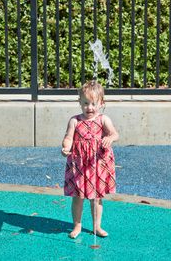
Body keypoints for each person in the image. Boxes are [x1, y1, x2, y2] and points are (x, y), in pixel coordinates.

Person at [61, 80, 119, 239]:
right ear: (79, 102)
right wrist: (66, 147)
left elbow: (115, 133)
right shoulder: (75, 121)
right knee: (78, 197)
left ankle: (97, 226)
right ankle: (77, 225)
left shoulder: (103, 119)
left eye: (93, 103)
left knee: (97, 198)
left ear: (101, 103)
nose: (89, 107)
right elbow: (68, 137)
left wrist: (110, 138)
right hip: (79, 164)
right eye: (85, 103)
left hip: (97, 163)